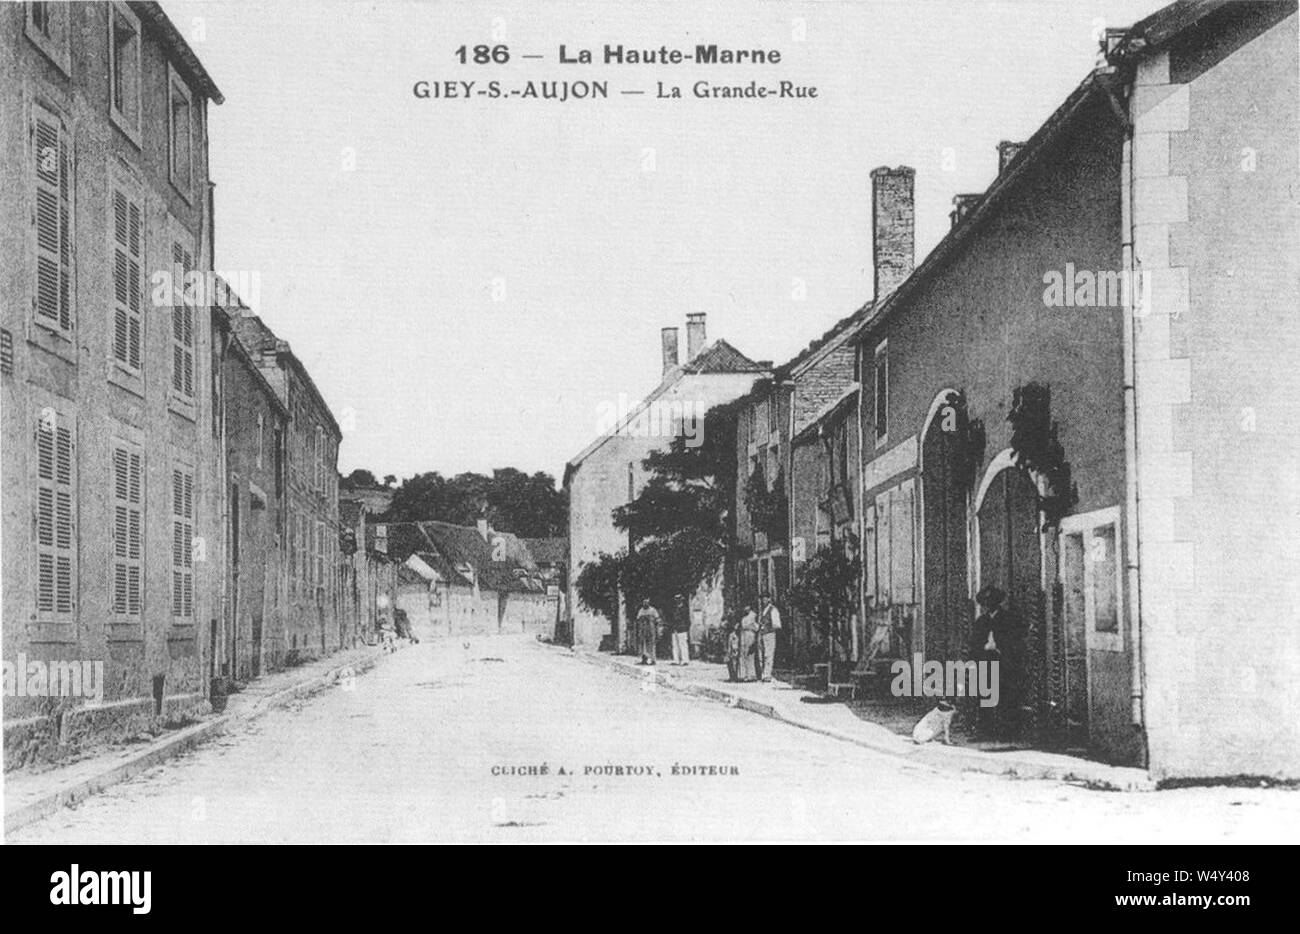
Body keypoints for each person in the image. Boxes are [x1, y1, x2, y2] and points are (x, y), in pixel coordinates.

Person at [968, 584, 1022, 739]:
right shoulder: (981, 621)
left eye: (992, 602)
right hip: (985, 661)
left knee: (1005, 696)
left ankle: (1007, 731)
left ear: (998, 602)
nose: (988, 606)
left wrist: (1000, 647)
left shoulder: (1008, 619)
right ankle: (986, 730)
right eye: (986, 603)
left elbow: (1014, 640)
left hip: (1003, 661)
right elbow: (974, 643)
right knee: (985, 696)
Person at [757, 593, 783, 682]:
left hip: (769, 634)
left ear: (769, 599)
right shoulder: (763, 610)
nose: (763, 601)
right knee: (762, 654)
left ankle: (767, 674)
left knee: (768, 654)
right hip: (762, 634)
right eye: (762, 599)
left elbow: (777, 624)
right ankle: (763, 674)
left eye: (765, 599)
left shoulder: (773, 610)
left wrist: (768, 627)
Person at [736, 604, 759, 682]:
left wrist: (751, 627)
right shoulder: (743, 616)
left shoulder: (754, 615)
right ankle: (744, 675)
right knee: (743, 655)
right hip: (743, 635)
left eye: (747, 606)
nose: (745, 608)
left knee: (750, 655)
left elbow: (757, 627)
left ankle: (751, 675)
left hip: (750, 635)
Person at [634, 598, 661, 665]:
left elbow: (657, 620)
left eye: (647, 602)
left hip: (651, 630)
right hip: (643, 631)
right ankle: (644, 659)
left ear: (649, 603)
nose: (645, 603)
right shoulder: (641, 611)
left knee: (651, 645)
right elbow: (638, 620)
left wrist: (657, 630)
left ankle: (653, 660)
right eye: (644, 602)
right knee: (643, 646)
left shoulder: (653, 610)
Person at [669, 595, 691, 666]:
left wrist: (686, 628)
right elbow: (672, 618)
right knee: (675, 645)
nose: (677, 601)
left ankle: (685, 660)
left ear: (681, 600)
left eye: (679, 599)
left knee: (683, 644)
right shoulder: (674, 609)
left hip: (682, 628)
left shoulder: (684, 609)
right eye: (676, 599)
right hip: (675, 628)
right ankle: (676, 660)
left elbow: (686, 619)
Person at [724, 613, 741, 682]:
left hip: (736, 649)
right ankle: (732, 676)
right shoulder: (732, 634)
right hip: (732, 649)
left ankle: (735, 676)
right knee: (731, 663)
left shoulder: (739, 634)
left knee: (735, 663)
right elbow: (729, 643)